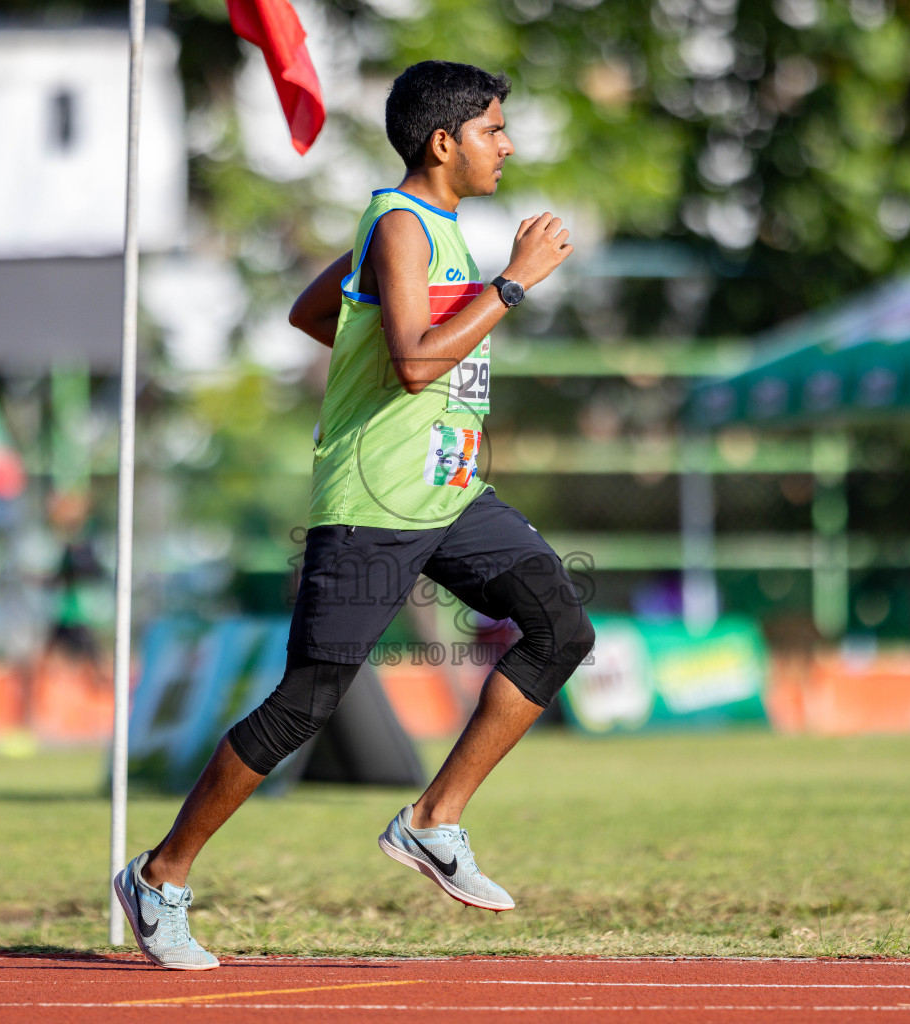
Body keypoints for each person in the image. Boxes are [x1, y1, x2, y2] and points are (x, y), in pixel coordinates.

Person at [114, 60, 594, 970]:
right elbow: (413, 364)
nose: (508, 145)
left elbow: (314, 312)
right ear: (444, 142)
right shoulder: (404, 225)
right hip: (375, 501)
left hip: (451, 493)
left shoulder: (422, 229)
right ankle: (159, 876)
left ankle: (434, 820)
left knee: (561, 628)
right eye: (494, 130)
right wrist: (514, 283)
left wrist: (374, 341)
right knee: (307, 700)